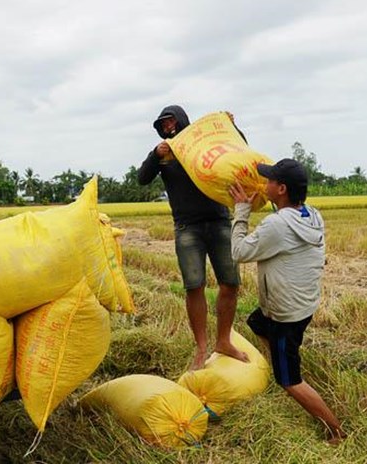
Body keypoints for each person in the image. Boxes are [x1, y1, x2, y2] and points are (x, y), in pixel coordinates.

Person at [228, 158, 346, 444]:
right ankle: (277, 365)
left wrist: (242, 211)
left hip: (285, 314)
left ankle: (336, 431)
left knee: (290, 380)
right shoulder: (311, 215)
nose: (264, 184)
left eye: (268, 181)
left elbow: (239, 252)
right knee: (256, 321)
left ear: (281, 189)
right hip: (303, 304)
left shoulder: (277, 226)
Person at [137, 105, 248, 370]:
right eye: (163, 124)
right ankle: (201, 348)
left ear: (183, 120)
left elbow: (239, 149)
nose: (168, 127)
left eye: (171, 121)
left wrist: (233, 127)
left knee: (230, 283)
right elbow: (142, 178)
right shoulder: (164, 154)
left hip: (220, 221)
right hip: (187, 227)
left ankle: (223, 341)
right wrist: (155, 155)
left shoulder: (205, 144)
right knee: (194, 285)